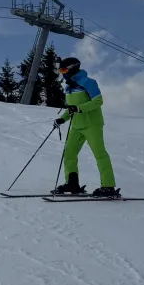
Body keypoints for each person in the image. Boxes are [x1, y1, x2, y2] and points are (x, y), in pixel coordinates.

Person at [52, 57, 120, 198]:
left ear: (72, 68)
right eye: (60, 70)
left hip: (92, 124)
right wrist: (62, 118)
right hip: (77, 126)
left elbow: (98, 101)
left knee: (100, 154)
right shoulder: (69, 87)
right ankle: (72, 184)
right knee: (69, 154)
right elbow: (71, 109)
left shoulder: (88, 83)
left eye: (64, 70)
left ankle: (108, 186)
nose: (62, 73)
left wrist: (80, 108)